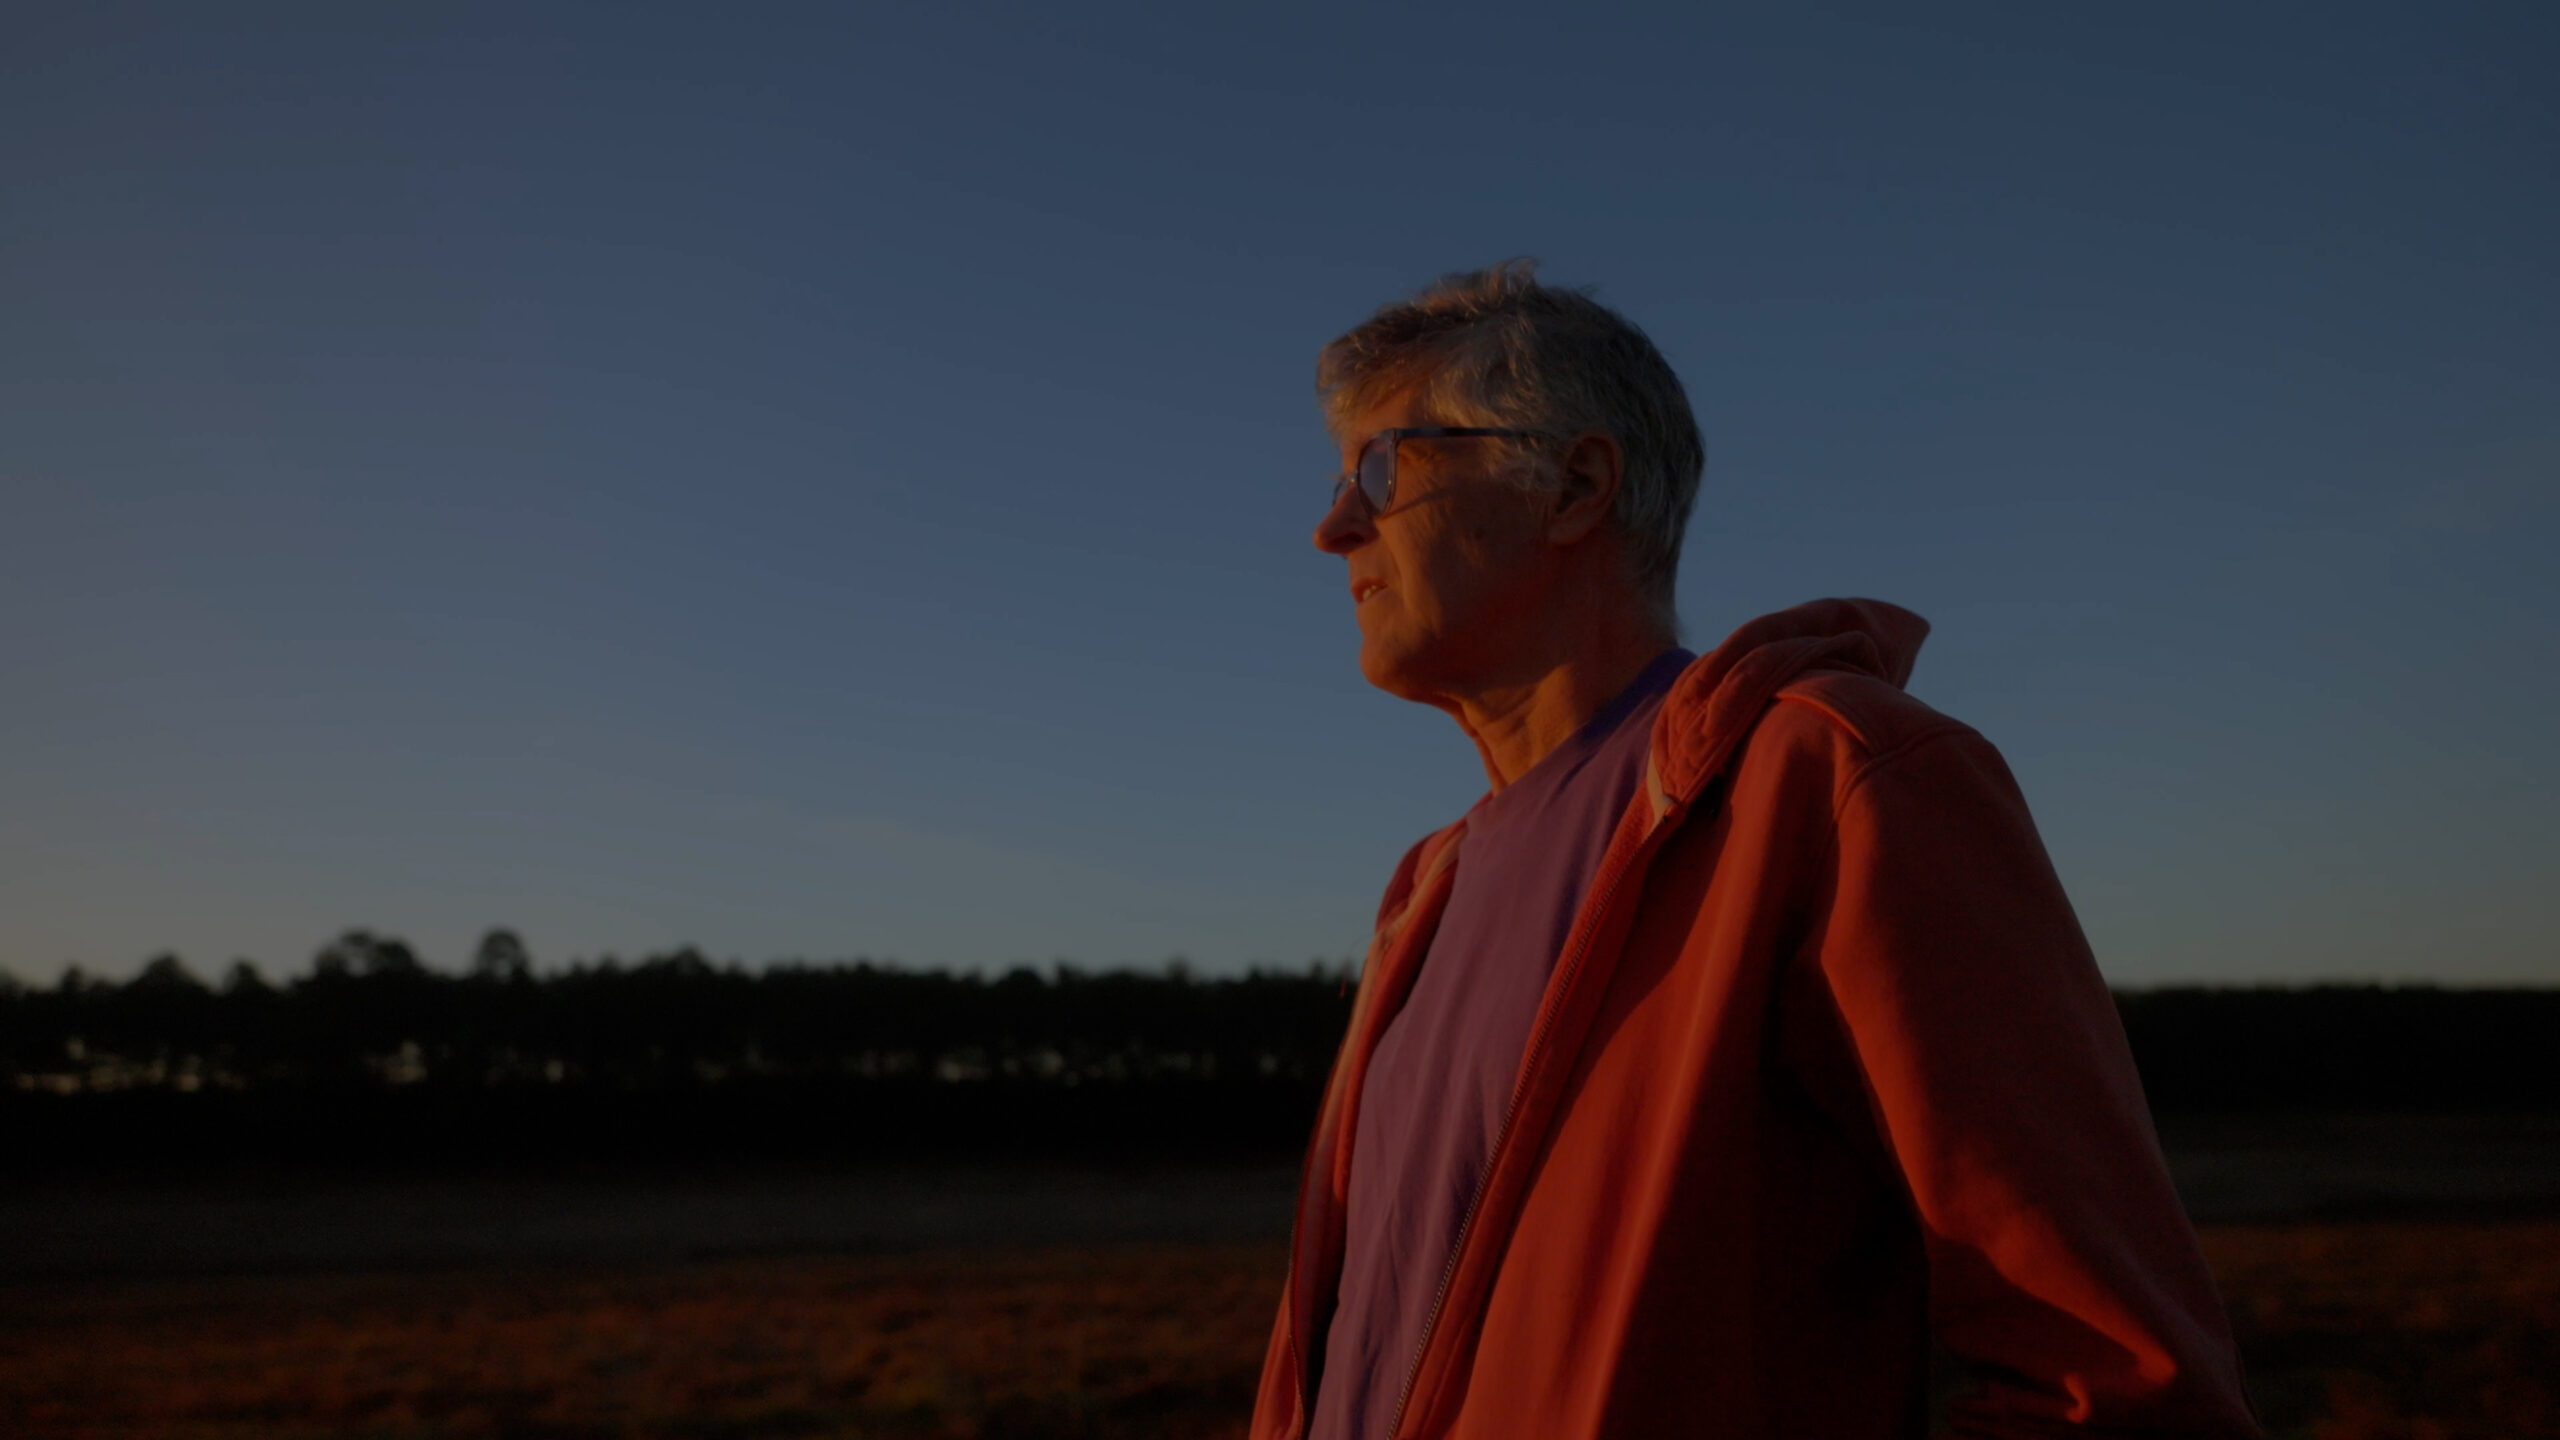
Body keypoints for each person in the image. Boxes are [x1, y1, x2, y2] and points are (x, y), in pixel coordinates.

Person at [1249, 261, 2260, 1439]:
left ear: (1575, 486)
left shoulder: (1834, 782)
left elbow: (2121, 1387)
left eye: (1386, 465)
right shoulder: (1422, 893)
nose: (1331, 528)